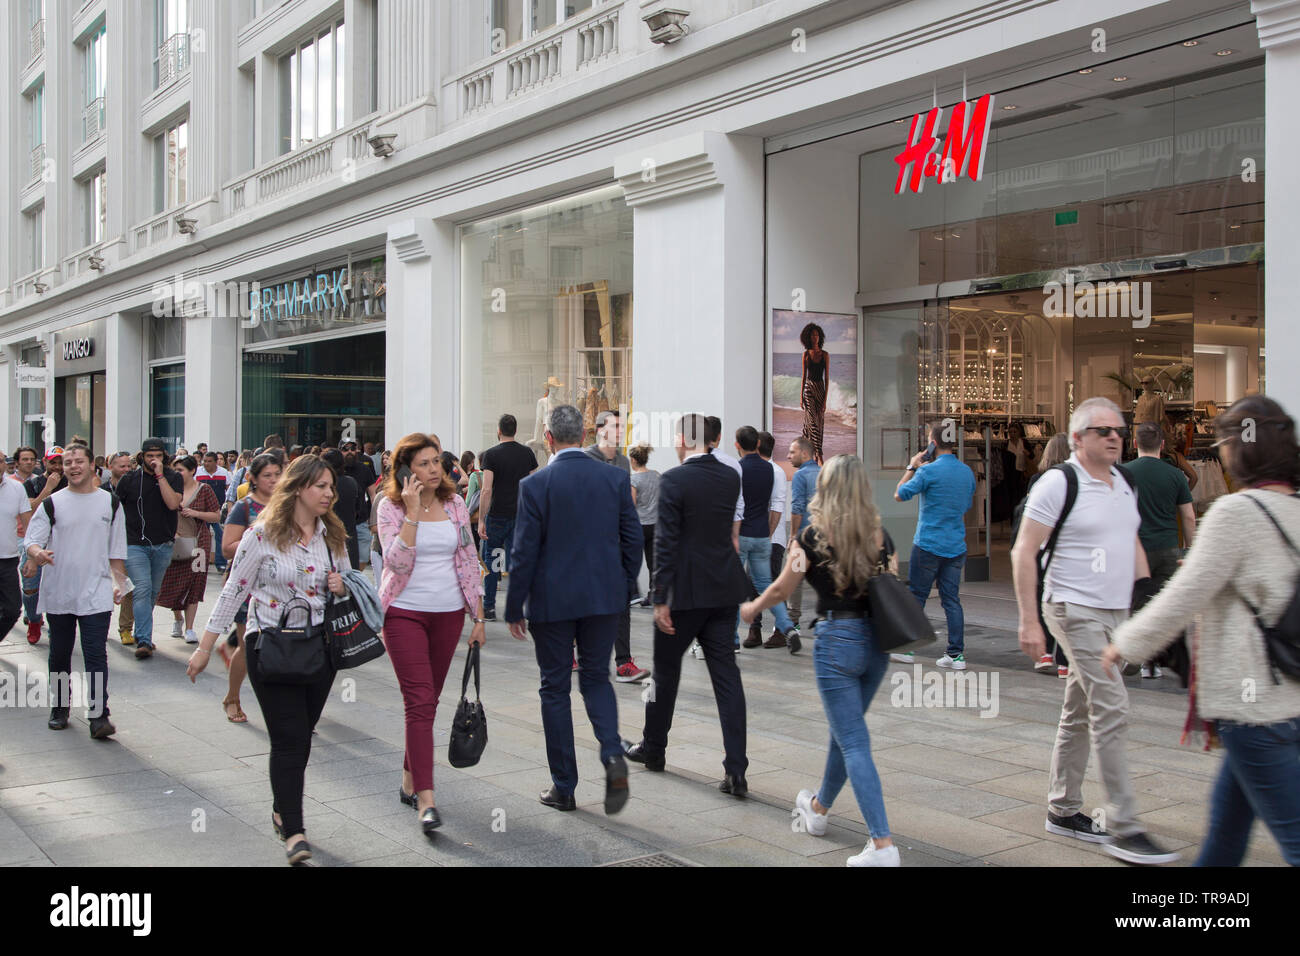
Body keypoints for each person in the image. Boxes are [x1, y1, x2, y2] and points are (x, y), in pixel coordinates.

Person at [1104, 395, 1300, 867]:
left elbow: (1182, 596)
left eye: (1226, 440)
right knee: (1225, 837)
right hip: (1283, 698)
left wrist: (1124, 645)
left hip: (1254, 709)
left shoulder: (1236, 513)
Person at [1011, 397, 1177, 864]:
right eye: (1103, 430)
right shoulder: (1057, 483)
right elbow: (1024, 551)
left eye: (1119, 430)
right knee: (1111, 706)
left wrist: (1149, 607)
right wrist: (1029, 621)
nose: (1114, 437)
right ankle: (1124, 826)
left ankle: (1062, 809)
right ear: (1078, 437)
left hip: (1117, 612)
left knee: (1079, 708)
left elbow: (1131, 544)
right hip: (1071, 609)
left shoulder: (1123, 482)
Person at [188, 455, 351, 866]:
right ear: (299, 488)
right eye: (322, 487)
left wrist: (340, 584)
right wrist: (205, 647)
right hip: (269, 647)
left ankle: (282, 809)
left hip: (319, 650)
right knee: (289, 738)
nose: (330, 494)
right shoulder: (261, 535)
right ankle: (294, 830)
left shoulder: (333, 536)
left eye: (332, 487)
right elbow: (233, 591)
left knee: (302, 734)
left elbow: (348, 586)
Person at [743, 454, 901, 866]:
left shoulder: (812, 537)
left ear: (825, 488)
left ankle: (882, 846)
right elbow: (892, 589)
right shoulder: (881, 537)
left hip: (837, 641)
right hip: (877, 645)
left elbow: (781, 588)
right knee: (845, 732)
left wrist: (752, 607)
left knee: (853, 740)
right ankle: (818, 809)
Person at [505, 404, 638, 815]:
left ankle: (564, 786)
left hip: (552, 601)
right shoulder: (615, 478)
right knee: (597, 678)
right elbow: (632, 541)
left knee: (555, 687)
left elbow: (523, 551)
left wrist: (513, 606)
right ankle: (612, 753)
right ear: (583, 435)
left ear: (548, 438)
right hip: (603, 600)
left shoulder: (536, 484)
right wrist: (621, 585)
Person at [624, 413, 753, 796]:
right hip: (723, 589)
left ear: (684, 438)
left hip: (684, 595)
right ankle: (736, 770)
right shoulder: (730, 476)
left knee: (664, 674)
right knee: (727, 678)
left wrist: (660, 597)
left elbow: (666, 541)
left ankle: (654, 747)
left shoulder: (675, 480)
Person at [376, 433, 486, 834]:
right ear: (405, 471)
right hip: (404, 614)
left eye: (437, 461)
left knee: (430, 700)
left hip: (448, 615)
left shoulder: (456, 504)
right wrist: (411, 513)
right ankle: (427, 798)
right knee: (419, 701)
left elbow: (469, 559)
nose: (435, 468)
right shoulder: (389, 507)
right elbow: (395, 563)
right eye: (424, 463)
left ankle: (408, 779)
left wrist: (478, 617)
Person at [23, 443, 128, 739]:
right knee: (59, 654)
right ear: (62, 467)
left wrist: (120, 582)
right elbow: (32, 540)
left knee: (96, 655)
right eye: (68, 462)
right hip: (60, 591)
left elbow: (116, 550)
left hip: (96, 592)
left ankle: (99, 715)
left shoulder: (110, 503)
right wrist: (37, 554)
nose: (73, 466)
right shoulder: (52, 503)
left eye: (78, 461)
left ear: (91, 465)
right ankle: (60, 707)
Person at [893, 422, 976, 669]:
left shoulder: (927, 472)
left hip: (928, 542)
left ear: (933, 443)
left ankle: (908, 649)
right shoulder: (966, 472)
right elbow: (967, 505)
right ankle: (956, 654)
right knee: (951, 599)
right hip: (956, 544)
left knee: (917, 596)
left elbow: (899, 494)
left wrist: (912, 466)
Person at [1120, 422, 1196, 680]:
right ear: (1162, 445)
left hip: (1133, 550)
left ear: (1134, 443)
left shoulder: (1123, 473)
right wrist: (1189, 550)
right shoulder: (1175, 474)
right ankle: (1156, 660)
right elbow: (1188, 516)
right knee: (1162, 604)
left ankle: (1139, 658)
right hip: (1167, 549)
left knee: (1135, 603)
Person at [217, 453, 283, 723]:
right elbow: (227, 547)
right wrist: (258, 544)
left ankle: (286, 704)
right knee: (247, 645)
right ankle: (232, 697)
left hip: (282, 586)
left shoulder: (288, 505)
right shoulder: (244, 508)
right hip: (249, 585)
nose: (274, 480)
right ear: (253, 478)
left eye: (278, 474)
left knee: (282, 645)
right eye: (267, 475)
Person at [585, 410, 649, 682]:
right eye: (615, 426)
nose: (621, 430)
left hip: (616, 543)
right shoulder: (587, 458)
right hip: (589, 544)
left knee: (621, 605)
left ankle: (623, 662)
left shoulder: (623, 462)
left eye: (623, 426)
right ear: (600, 429)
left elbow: (625, 502)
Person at [116, 439, 185, 659]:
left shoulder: (173, 477)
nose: (153, 460)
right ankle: (144, 639)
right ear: (142, 457)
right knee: (142, 589)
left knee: (153, 592)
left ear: (163, 456)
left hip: (163, 544)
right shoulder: (129, 479)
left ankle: (142, 632)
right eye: (149, 456)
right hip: (135, 543)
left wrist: (160, 476)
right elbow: (116, 511)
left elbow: (173, 504)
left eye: (157, 455)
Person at [734, 426, 797, 651]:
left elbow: (738, 506)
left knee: (741, 586)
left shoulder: (741, 469)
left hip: (750, 535)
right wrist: (767, 533)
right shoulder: (771, 470)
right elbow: (777, 506)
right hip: (763, 535)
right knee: (764, 584)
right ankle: (785, 627)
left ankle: (736, 638)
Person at [477, 414, 538, 622]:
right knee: (518, 563)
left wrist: (482, 519)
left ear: (499, 430)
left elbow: (486, 490)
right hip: (520, 516)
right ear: (515, 430)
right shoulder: (527, 453)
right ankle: (518, 608)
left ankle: (490, 607)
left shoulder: (491, 455)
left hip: (497, 516)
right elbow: (533, 485)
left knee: (492, 561)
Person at [157, 456, 222, 645]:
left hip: (199, 544)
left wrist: (195, 513)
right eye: (175, 470)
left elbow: (216, 516)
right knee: (171, 582)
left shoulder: (205, 490)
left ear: (193, 470)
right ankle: (178, 618)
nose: (177, 474)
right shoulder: (169, 489)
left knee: (195, 583)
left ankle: (190, 628)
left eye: (181, 470)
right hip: (174, 543)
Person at [1026, 433, 1072, 678]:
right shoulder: (1075, 480)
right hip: (1064, 548)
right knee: (1063, 602)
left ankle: (1045, 654)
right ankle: (1064, 661)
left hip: (1040, 546)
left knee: (1042, 598)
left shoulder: (1037, 479)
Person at [748, 430, 792, 646]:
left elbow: (776, 506)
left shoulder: (775, 471)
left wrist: (767, 535)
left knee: (772, 584)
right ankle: (755, 629)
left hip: (772, 539)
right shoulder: (761, 469)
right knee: (753, 584)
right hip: (758, 537)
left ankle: (783, 631)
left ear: (757, 446)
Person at [22, 447, 68, 646]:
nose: (57, 467)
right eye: (53, 462)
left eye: (60, 462)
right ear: (45, 462)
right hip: (37, 541)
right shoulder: (32, 483)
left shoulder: (71, 483)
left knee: (57, 590)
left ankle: (55, 628)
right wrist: (48, 489)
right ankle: (33, 619)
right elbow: (30, 509)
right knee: (30, 587)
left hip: (62, 543)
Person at [786, 436, 819, 636]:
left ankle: (793, 622)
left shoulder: (800, 476)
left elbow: (797, 508)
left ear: (804, 453)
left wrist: (792, 537)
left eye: (792, 452)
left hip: (804, 539)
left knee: (794, 580)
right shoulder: (824, 473)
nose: (789, 456)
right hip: (822, 540)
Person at [0, 458, 32, 645]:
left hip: (8, 559)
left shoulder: (16, 488)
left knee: (12, 610)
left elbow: (28, 524)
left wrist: (31, 557)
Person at [628, 444, 660, 609]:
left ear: (633, 460)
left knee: (633, 560)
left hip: (639, 525)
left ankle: (632, 594)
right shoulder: (656, 475)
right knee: (653, 562)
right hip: (655, 525)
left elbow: (632, 504)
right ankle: (654, 594)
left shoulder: (633, 480)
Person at [321, 448, 364, 568]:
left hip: (328, 537)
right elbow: (359, 510)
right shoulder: (351, 483)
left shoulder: (322, 487)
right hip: (348, 535)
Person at [196, 451, 232, 572]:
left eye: (209, 461)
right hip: (202, 511)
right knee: (200, 537)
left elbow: (229, 490)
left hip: (218, 511)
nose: (206, 464)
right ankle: (200, 563)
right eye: (204, 461)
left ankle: (220, 563)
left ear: (216, 462)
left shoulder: (224, 473)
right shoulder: (197, 472)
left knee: (220, 535)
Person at [800, 322, 829, 465]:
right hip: (808, 389)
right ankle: (819, 454)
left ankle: (813, 454)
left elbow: (827, 378)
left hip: (820, 388)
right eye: (812, 335)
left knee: (819, 423)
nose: (815, 337)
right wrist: (801, 397)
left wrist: (824, 400)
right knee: (811, 421)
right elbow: (803, 377)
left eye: (817, 335)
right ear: (808, 337)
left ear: (820, 337)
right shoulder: (805, 355)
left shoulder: (825, 355)